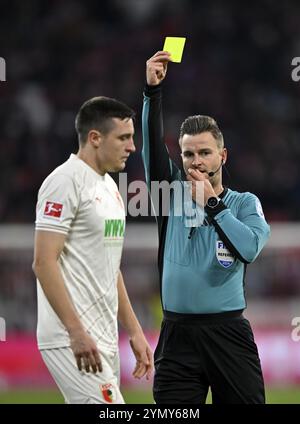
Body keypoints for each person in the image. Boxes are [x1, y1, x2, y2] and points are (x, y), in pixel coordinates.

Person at [142, 51, 270, 404]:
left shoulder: (245, 203)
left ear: (222, 157)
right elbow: (152, 151)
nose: (196, 161)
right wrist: (152, 93)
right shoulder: (169, 197)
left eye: (204, 152)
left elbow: (249, 249)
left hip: (228, 335)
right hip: (176, 337)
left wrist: (212, 205)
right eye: (187, 154)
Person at [32, 96, 153, 404]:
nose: (132, 147)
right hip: (71, 337)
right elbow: (44, 262)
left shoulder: (110, 187)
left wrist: (135, 332)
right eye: (123, 138)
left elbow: (110, 268)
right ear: (95, 138)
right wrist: (75, 332)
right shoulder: (64, 181)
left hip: (104, 338)